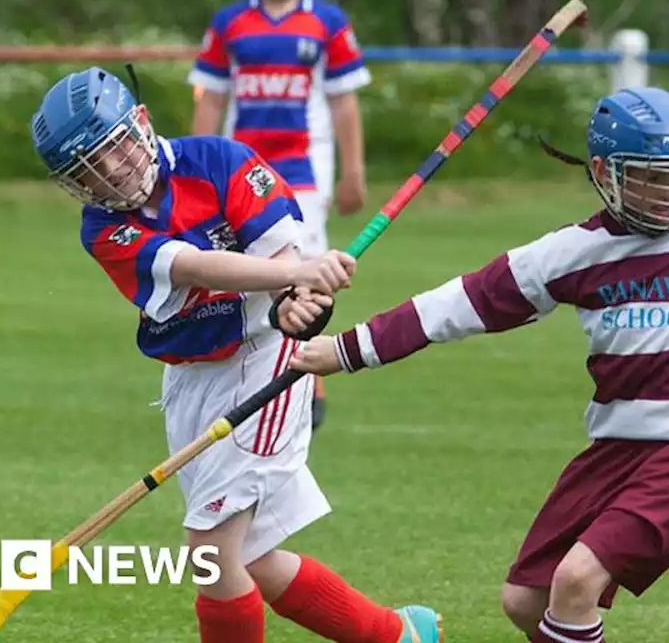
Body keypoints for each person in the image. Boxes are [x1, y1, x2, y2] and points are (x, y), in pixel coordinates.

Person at [288, 87, 669, 642]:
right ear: (605, 173)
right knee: (527, 600)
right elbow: (457, 305)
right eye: (654, 179)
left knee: (576, 584)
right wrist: (344, 351)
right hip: (614, 451)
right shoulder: (569, 253)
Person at [30, 66, 441, 643]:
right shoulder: (102, 229)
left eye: (113, 150)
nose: (110, 173)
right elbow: (191, 265)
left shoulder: (221, 161)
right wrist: (294, 275)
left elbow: (291, 276)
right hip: (189, 381)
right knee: (250, 559)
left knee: (211, 554)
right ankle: (399, 636)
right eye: (88, 171)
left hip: (266, 360)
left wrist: (296, 303)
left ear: (141, 125)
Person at [189, 0, 371, 432]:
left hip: (302, 177)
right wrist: (193, 170)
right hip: (239, 178)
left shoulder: (327, 24)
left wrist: (353, 171)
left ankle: (309, 382)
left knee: (303, 275)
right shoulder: (230, 23)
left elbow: (344, 103)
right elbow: (211, 99)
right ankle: (251, 375)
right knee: (245, 275)